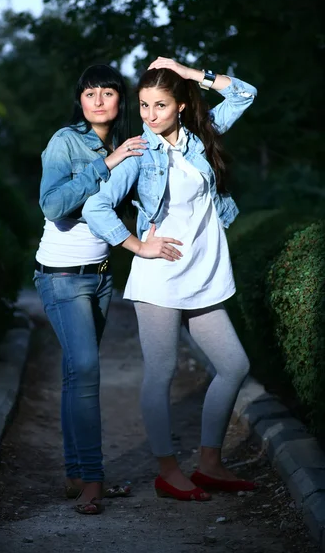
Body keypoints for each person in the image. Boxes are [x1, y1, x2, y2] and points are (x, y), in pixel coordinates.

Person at [82, 57, 258, 502]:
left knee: (235, 366)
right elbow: (95, 208)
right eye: (142, 105)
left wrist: (188, 71)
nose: (149, 115)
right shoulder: (140, 152)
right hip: (160, 278)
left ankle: (209, 462)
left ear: (180, 105)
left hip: (203, 274)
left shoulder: (200, 140)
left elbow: (245, 93)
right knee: (161, 372)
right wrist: (139, 246)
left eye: (159, 105)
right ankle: (167, 470)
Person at [34, 64, 182, 515]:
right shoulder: (66, 141)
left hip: (99, 276)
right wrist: (106, 163)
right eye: (89, 93)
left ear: (121, 100)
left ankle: (76, 473)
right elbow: (53, 204)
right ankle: (94, 482)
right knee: (87, 371)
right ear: (80, 100)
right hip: (61, 274)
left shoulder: (129, 142)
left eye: (108, 93)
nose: (98, 100)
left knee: (75, 376)